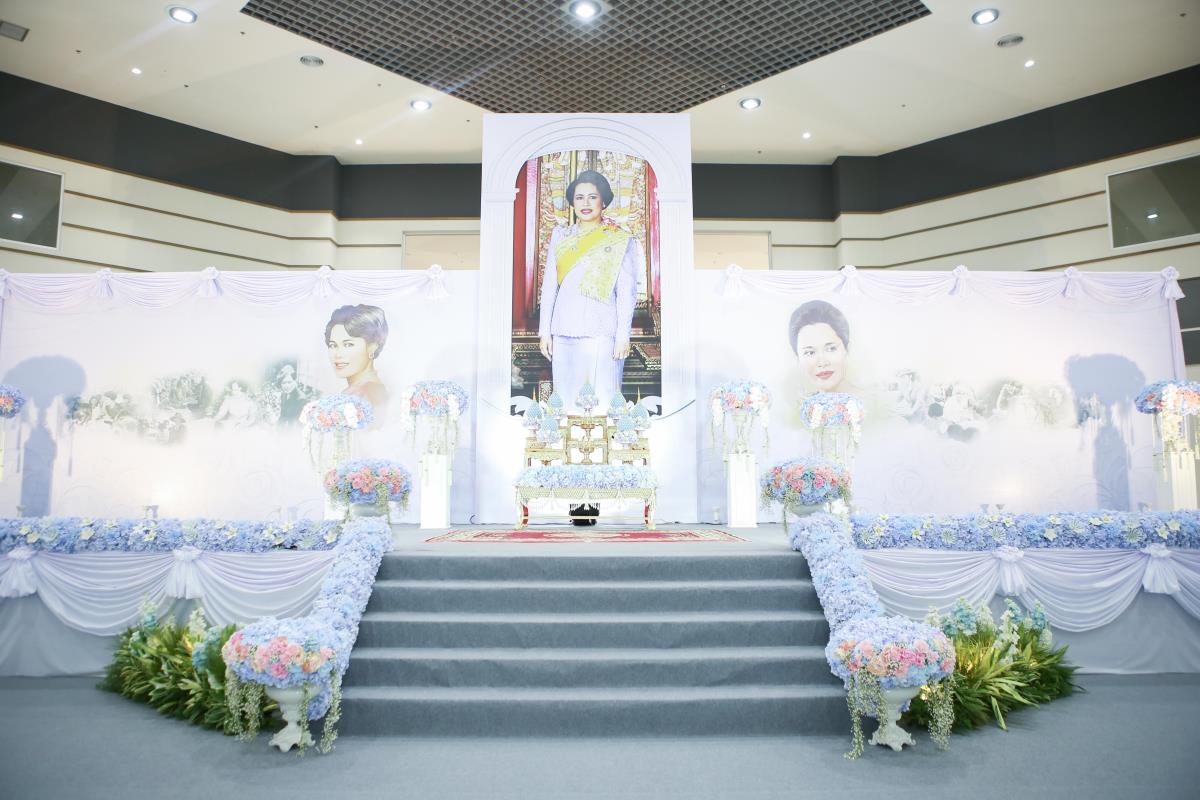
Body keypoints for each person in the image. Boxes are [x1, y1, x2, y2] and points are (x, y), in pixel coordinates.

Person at [538, 170, 642, 414]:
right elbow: (550, 286)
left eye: (592, 197)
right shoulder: (561, 236)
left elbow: (626, 292)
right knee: (565, 401)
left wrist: (623, 336)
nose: (585, 203)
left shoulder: (619, 239)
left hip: (602, 331)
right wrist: (545, 332)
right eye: (579, 197)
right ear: (572, 203)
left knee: (603, 399)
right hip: (564, 329)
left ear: (603, 201)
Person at [325, 304, 389, 411]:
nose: (337, 354)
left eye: (348, 345)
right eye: (333, 345)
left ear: (372, 347)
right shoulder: (356, 391)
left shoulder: (368, 394)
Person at [788, 300, 852, 393]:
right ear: (797, 357)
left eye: (831, 349)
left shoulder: (870, 398)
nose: (822, 363)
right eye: (810, 353)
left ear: (847, 349)